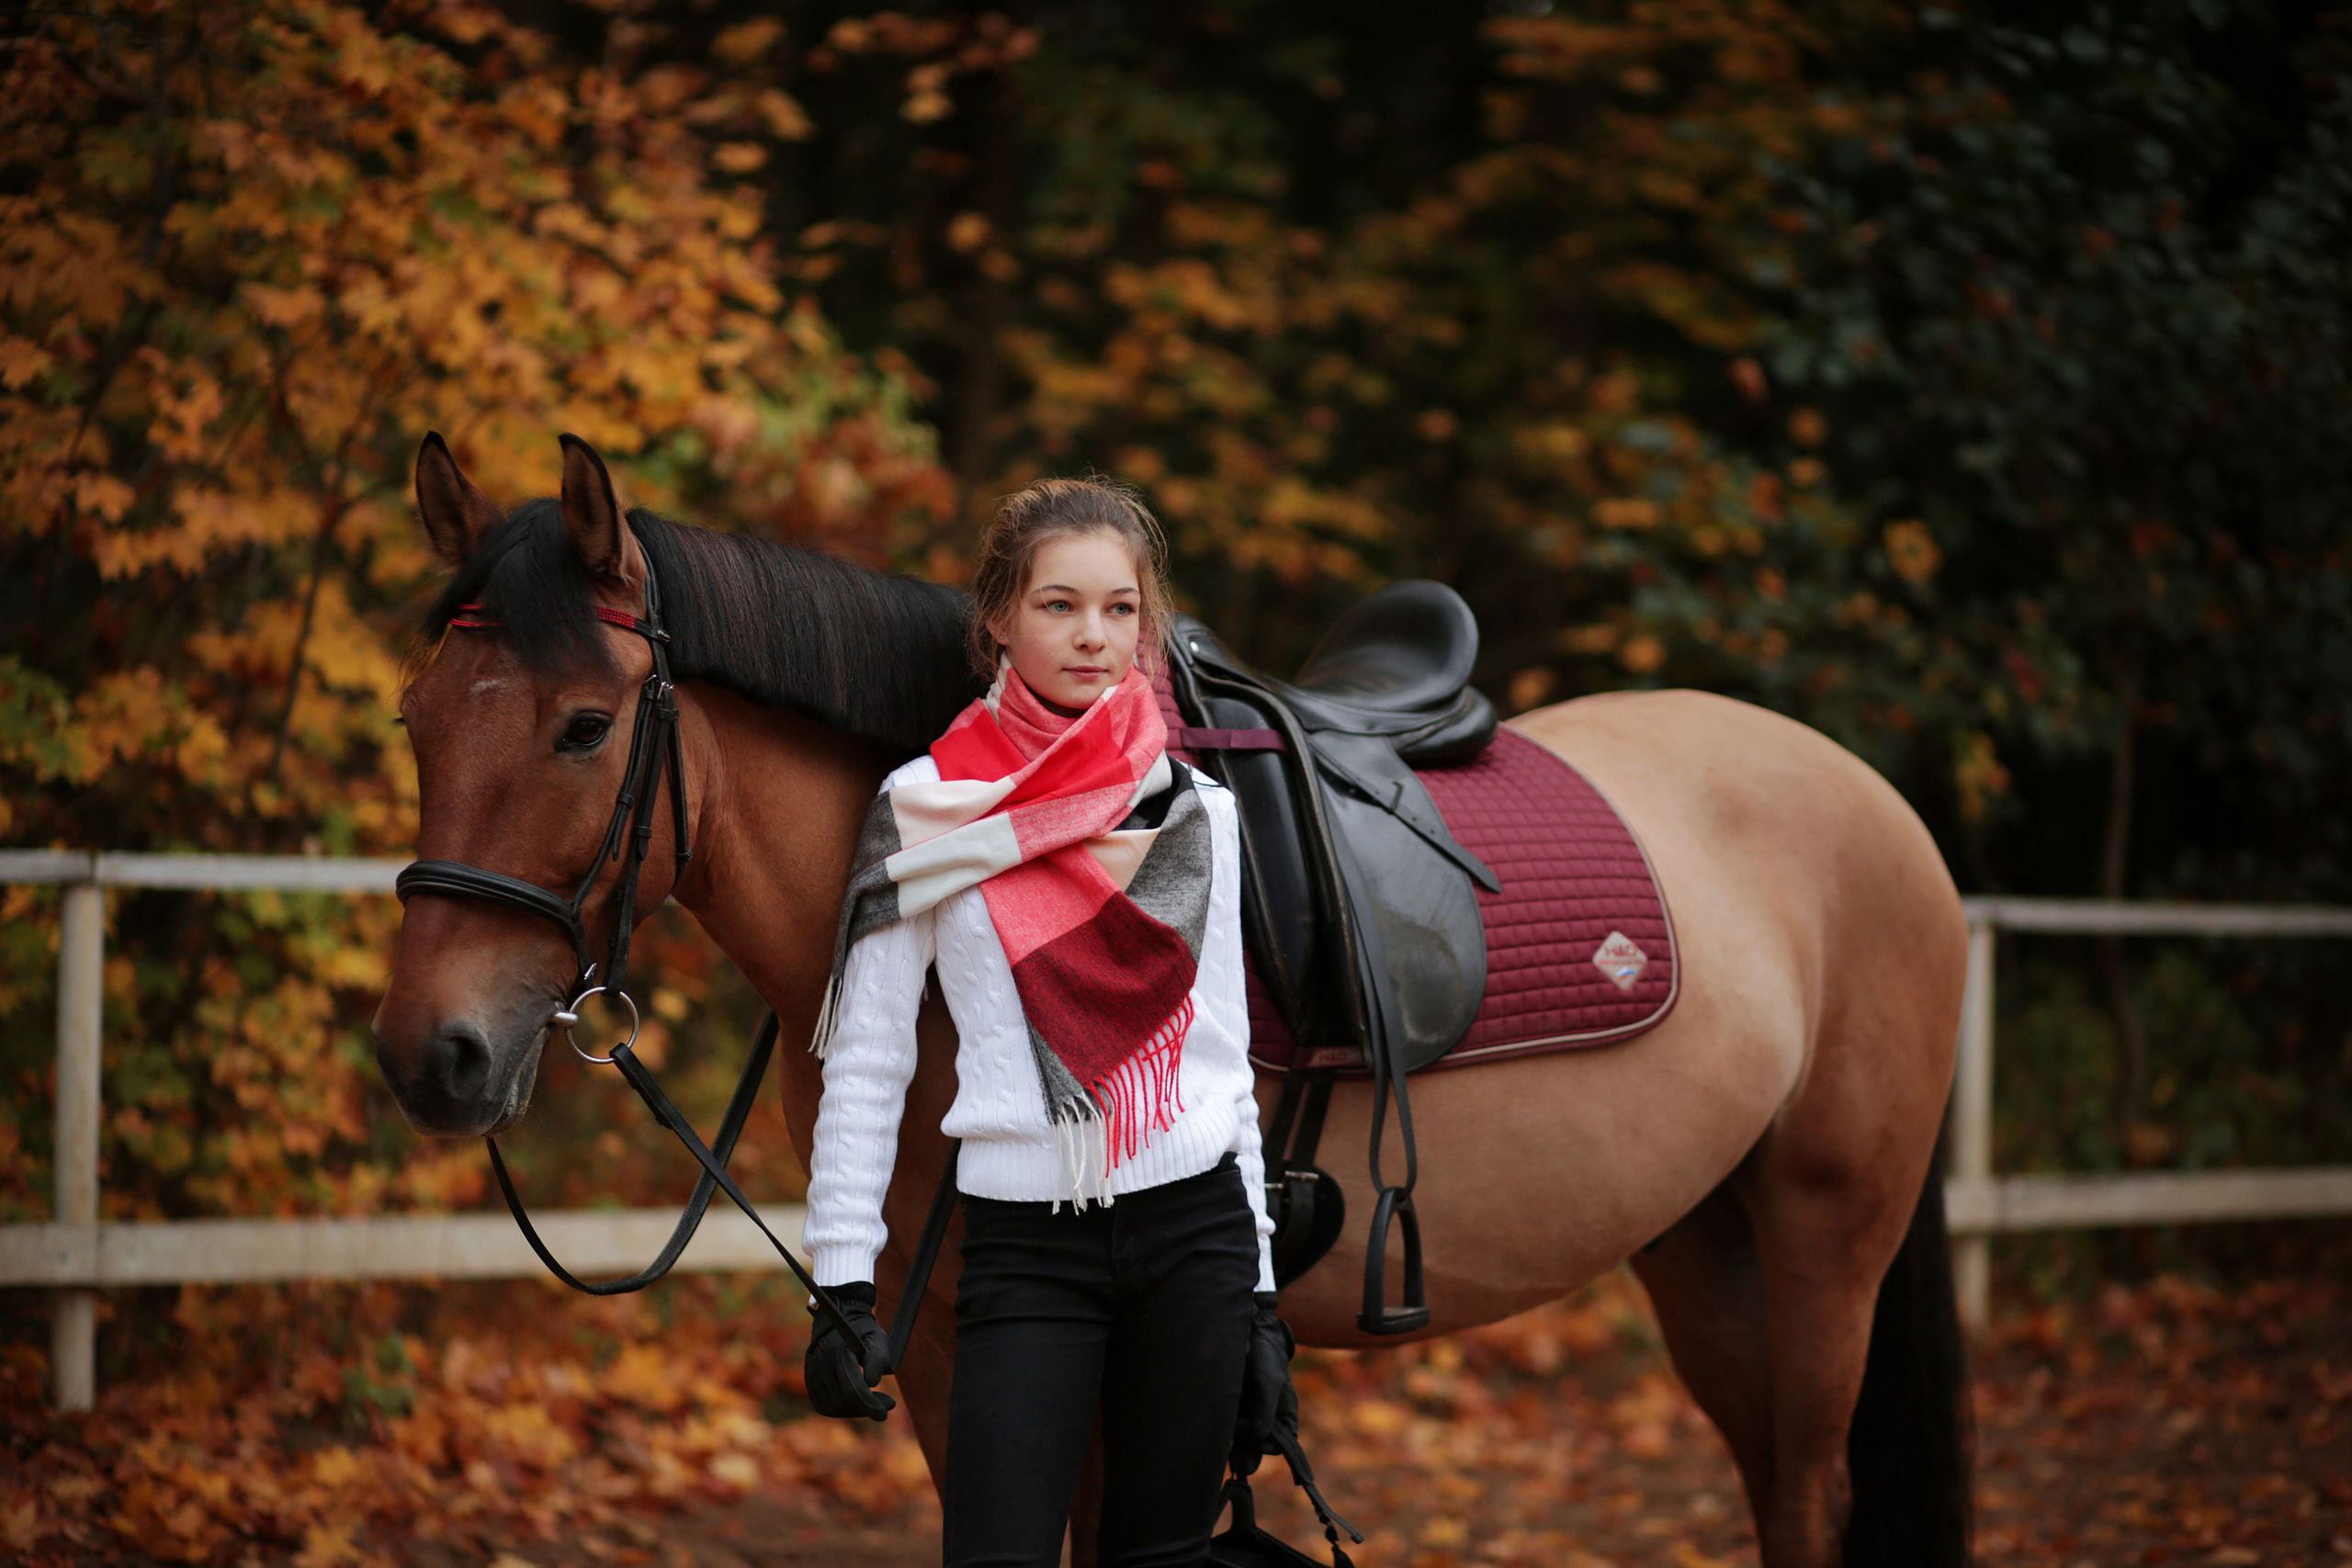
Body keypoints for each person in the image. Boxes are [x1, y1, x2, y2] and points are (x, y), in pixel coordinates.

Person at [799, 477, 1290, 1568]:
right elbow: (869, 1059)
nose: (1093, 636)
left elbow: (1220, 1060)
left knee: (1160, 1559)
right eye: (1059, 605)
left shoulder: (1195, 809)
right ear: (997, 623)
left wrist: (1257, 1294)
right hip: (1029, 1246)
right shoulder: (925, 807)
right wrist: (839, 1276)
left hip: (1196, 1234)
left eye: (1120, 609)